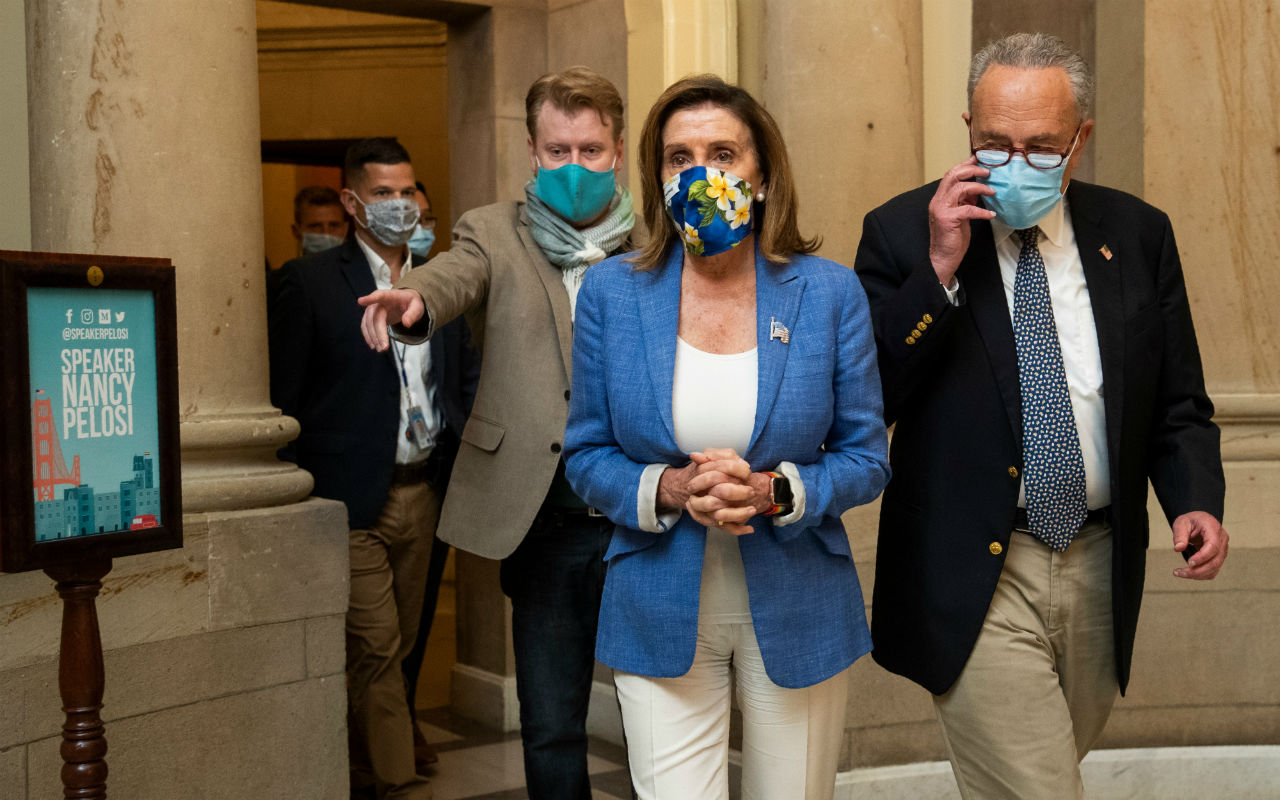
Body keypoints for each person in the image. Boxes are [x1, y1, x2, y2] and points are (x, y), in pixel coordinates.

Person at [854, 33, 1228, 799]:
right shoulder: (901, 233)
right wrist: (938, 269)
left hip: (1099, 560)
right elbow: (869, 399)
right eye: (994, 143)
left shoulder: (1137, 233)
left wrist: (1194, 499)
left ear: (1080, 141)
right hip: (975, 574)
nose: (1016, 162)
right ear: (967, 130)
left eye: (1040, 146)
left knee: (1039, 775)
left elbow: (1177, 399)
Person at [562, 75, 891, 800]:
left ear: (763, 175)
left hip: (800, 600)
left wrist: (774, 491)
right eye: (679, 158)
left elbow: (868, 457)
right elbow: (585, 456)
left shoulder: (829, 293)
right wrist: (674, 487)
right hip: (656, 603)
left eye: (723, 152)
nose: (700, 172)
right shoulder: (612, 295)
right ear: (656, 178)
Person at [357, 67, 635, 799]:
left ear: (619, 150)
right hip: (541, 518)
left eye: (590, 151)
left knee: (657, 715)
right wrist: (413, 299)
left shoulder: (658, 243)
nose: (573, 168)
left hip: (645, 512)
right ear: (531, 152)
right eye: (557, 152)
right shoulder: (493, 230)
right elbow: (454, 276)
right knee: (550, 722)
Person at [268, 137, 478, 800]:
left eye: (407, 191)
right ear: (353, 202)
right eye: (383, 194)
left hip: (425, 489)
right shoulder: (309, 283)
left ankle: (366, 756)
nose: (400, 204)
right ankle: (395, 779)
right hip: (351, 498)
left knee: (406, 641)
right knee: (378, 644)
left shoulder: (440, 281)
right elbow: (285, 397)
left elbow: (460, 382)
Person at [292, 184, 349, 256]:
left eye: (333, 226)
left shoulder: (362, 266)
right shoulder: (289, 267)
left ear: (345, 229)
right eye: (316, 226)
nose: (326, 234)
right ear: (296, 231)